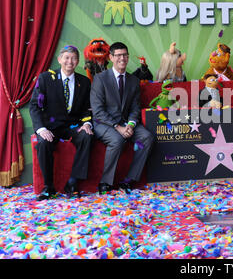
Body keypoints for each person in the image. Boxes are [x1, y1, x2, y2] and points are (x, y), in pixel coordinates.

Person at [29, 45, 94, 200]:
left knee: (87, 136)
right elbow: (34, 106)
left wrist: (86, 124)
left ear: (77, 61)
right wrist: (41, 129)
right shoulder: (45, 78)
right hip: (50, 126)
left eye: (73, 58)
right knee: (44, 143)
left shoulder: (84, 82)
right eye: (66, 57)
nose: (69, 61)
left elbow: (87, 109)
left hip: (73, 125)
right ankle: (48, 187)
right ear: (59, 59)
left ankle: (72, 182)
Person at [90, 42, 154, 194]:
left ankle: (129, 180)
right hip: (104, 123)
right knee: (117, 140)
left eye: (125, 55)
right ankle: (105, 182)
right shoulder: (100, 79)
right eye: (118, 55)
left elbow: (135, 108)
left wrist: (131, 125)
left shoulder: (133, 80)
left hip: (126, 123)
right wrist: (117, 127)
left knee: (147, 137)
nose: (122, 58)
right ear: (111, 57)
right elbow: (98, 111)